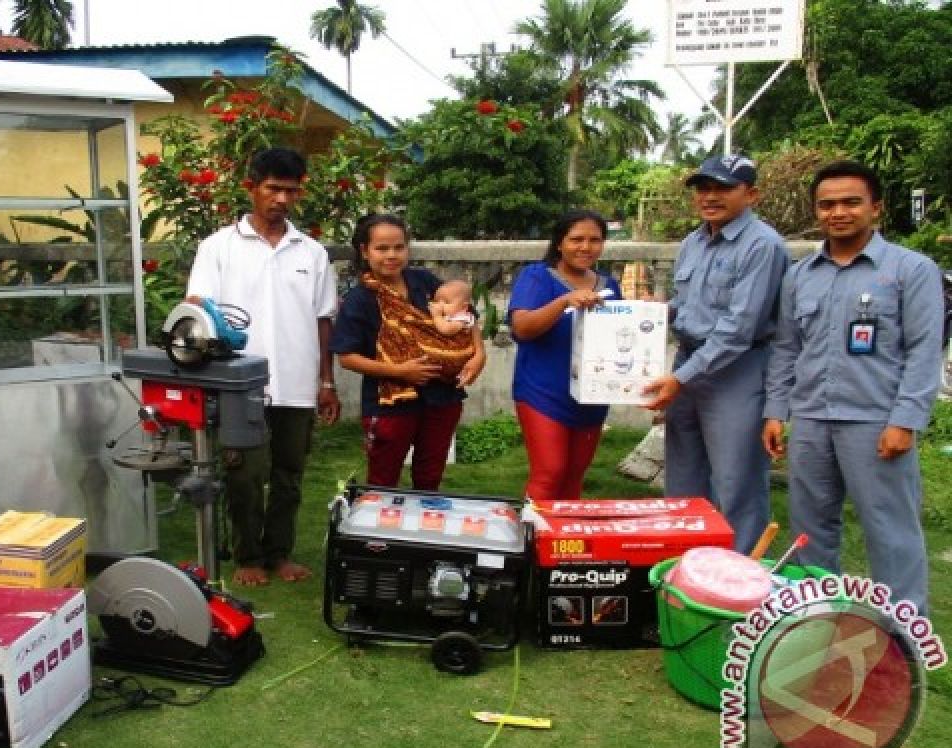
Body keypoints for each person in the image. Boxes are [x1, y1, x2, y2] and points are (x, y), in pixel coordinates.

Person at [763, 160, 943, 613]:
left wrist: (905, 421)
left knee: (889, 527)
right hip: (811, 419)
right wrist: (776, 411)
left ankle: (903, 632)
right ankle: (815, 619)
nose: (837, 212)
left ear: (875, 208)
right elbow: (786, 348)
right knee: (810, 527)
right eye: (826, 204)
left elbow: (925, 351)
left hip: (876, 420)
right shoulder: (801, 275)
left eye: (850, 202)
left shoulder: (911, 270)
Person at [186, 147, 339, 587]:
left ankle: (280, 554)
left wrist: (325, 382)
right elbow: (198, 308)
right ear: (251, 187)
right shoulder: (218, 247)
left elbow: (322, 319)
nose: (282, 200)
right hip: (239, 384)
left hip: (296, 383)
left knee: (288, 475)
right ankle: (247, 557)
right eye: (273, 189)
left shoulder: (311, 252)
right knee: (244, 473)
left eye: (291, 191)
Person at [641, 154, 789, 553]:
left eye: (723, 188)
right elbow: (686, 305)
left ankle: (742, 585)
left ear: (751, 194)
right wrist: (647, 313)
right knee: (684, 477)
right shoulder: (694, 241)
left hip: (736, 370)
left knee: (736, 483)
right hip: (687, 364)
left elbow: (739, 330)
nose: (710, 196)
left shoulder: (763, 246)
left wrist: (680, 378)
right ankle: (685, 572)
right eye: (704, 188)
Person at [330, 213, 486, 489]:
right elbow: (347, 357)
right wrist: (401, 371)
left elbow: (464, 310)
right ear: (365, 251)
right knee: (383, 478)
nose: (391, 255)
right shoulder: (360, 300)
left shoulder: (422, 281)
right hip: (390, 401)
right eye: (382, 248)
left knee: (430, 475)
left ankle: (424, 528)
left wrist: (479, 352)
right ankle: (380, 530)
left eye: (399, 247)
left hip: (442, 394)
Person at [508, 209, 622, 502]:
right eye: (576, 239)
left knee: (573, 477)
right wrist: (563, 302)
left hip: (591, 396)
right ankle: (531, 542)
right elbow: (522, 328)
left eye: (594, 240)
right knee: (550, 472)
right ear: (560, 243)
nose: (585, 247)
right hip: (543, 391)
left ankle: (564, 545)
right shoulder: (537, 277)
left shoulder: (610, 287)